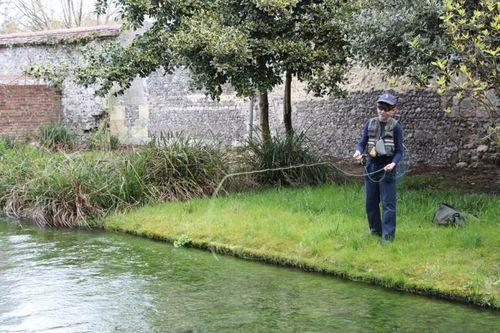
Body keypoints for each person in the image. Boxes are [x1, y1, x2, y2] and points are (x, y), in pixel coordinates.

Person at [353, 93, 404, 243]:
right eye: (380, 107)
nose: (382, 111)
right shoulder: (369, 123)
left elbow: (399, 151)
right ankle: (375, 231)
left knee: (388, 204)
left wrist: (393, 164)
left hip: (387, 167)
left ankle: (387, 237)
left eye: (386, 108)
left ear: (393, 110)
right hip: (371, 166)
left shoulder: (396, 127)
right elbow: (362, 143)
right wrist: (358, 151)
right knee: (370, 202)